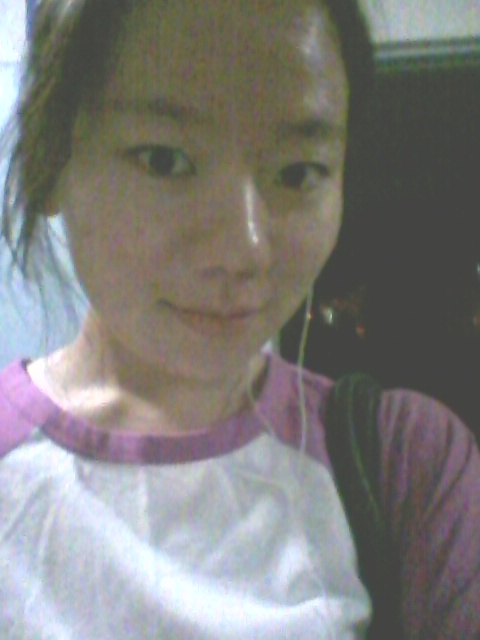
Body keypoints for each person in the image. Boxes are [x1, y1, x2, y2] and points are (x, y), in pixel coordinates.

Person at [0, 0, 479, 638]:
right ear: (50, 162)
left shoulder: (406, 465)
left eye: (297, 172)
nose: (244, 250)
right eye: (165, 159)